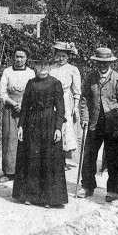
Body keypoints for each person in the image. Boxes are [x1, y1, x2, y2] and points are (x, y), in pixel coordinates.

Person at [12, 57, 67, 208]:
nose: (42, 67)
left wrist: (58, 128)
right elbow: (25, 106)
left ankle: (48, 199)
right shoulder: (31, 83)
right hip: (32, 123)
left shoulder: (55, 83)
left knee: (48, 159)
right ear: (35, 66)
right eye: (39, 64)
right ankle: (30, 196)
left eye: (46, 64)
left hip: (49, 122)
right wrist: (21, 126)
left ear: (49, 67)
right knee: (32, 158)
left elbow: (60, 108)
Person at [78, 47, 118, 202]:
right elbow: (84, 100)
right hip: (94, 123)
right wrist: (84, 118)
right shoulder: (90, 78)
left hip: (113, 125)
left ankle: (113, 190)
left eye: (105, 62)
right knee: (89, 157)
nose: (102, 65)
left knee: (114, 158)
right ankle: (87, 186)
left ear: (110, 63)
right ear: (96, 62)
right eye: (100, 62)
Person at [0, 46, 36, 182]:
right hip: (10, 108)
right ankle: (9, 171)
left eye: (22, 57)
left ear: (26, 58)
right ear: (13, 57)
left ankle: (24, 171)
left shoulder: (31, 73)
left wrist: (24, 105)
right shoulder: (7, 71)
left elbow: (33, 92)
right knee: (10, 138)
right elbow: (2, 92)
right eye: (17, 56)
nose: (19, 59)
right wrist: (14, 103)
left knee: (26, 138)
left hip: (27, 109)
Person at [48, 42, 82, 170]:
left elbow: (77, 90)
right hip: (51, 100)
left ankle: (63, 158)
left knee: (65, 128)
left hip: (66, 100)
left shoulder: (73, 69)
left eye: (64, 56)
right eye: (59, 56)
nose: (61, 59)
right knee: (52, 126)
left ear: (68, 56)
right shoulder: (51, 68)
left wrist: (76, 106)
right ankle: (54, 158)